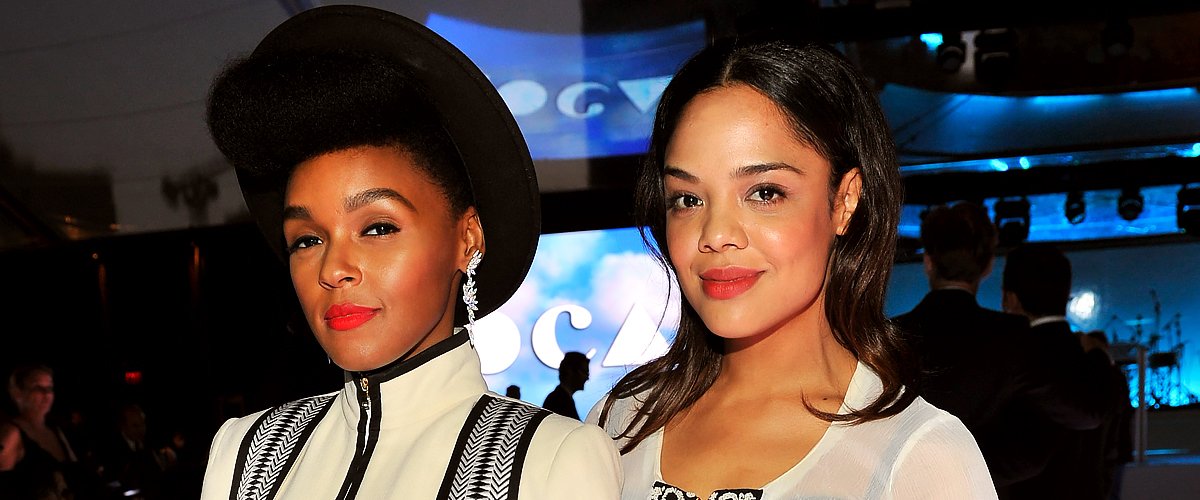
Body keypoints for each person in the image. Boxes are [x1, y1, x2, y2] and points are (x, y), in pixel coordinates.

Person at [199, 5, 620, 499]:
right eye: (307, 240)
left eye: (376, 228)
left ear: (468, 238)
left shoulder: (552, 459)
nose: (333, 269)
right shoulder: (245, 455)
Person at [588, 36, 995, 499]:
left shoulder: (917, 457)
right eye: (688, 199)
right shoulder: (619, 424)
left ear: (845, 202)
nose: (715, 234)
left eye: (764, 193)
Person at [892, 202, 1108, 493]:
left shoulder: (891, 336)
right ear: (988, 267)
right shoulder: (1012, 338)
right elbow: (1085, 414)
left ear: (928, 262)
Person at [1000, 243, 1116, 500]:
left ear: (1010, 299)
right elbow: (1112, 452)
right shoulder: (1096, 359)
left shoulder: (1011, 358)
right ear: (1066, 295)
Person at [6, 362, 89, 500]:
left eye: (49, 388)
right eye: (38, 388)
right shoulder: (11, 434)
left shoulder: (58, 430)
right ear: (18, 393)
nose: (47, 394)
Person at [542, 351, 590, 420]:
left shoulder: (560, 399)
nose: (587, 378)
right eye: (585, 372)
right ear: (570, 371)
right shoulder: (558, 401)